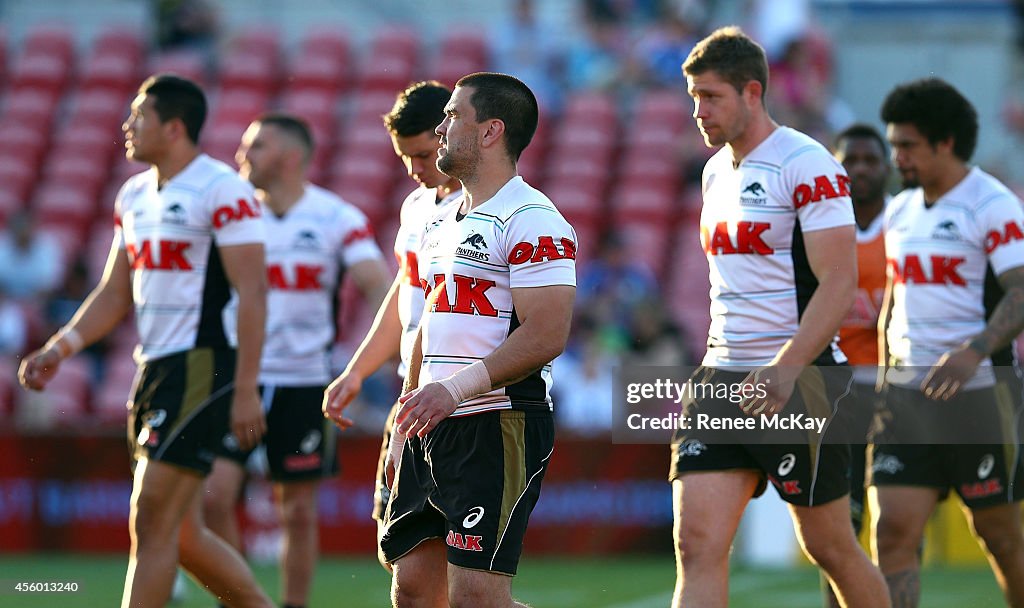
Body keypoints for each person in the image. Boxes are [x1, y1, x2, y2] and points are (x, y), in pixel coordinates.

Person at [18, 74, 272, 607]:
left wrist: (247, 386)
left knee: (151, 518)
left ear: (175, 127)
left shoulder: (222, 189)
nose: (127, 126)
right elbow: (115, 293)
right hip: (155, 368)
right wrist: (59, 348)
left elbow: (252, 291)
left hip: (203, 364)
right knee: (177, 532)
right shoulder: (133, 194)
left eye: (140, 117)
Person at [668, 27, 890, 608]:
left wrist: (786, 369)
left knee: (830, 547)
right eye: (693, 98)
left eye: (711, 97)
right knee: (695, 544)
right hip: (720, 378)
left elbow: (839, 285)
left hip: (803, 379)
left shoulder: (807, 163)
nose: (699, 112)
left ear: (752, 91)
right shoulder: (714, 172)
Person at [381, 72, 576, 607]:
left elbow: (547, 333)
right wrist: (407, 416)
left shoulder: (533, 218)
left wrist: (454, 390)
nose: (440, 127)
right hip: (434, 422)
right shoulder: (443, 222)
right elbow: (429, 321)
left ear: (490, 132)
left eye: (452, 115)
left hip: (497, 422)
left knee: (475, 597)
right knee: (414, 591)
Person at [202, 113, 391, 608]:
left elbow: (377, 284)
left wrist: (394, 345)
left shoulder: (336, 218)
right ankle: (240, 599)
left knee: (299, 510)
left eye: (256, 146)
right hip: (237, 375)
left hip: (305, 381)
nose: (243, 156)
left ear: (290, 157)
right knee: (215, 496)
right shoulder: (233, 218)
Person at [870, 77, 1024, 608]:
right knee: (892, 534)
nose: (897, 157)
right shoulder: (900, 211)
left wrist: (975, 352)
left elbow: (1022, 292)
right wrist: (884, 371)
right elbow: (894, 298)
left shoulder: (993, 206)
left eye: (907, 145)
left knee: (1001, 540)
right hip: (907, 400)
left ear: (946, 143)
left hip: (981, 397)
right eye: (893, 144)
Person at [322, 80, 463, 569]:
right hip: (413, 395)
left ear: (448, 135)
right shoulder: (416, 208)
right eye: (405, 158)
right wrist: (357, 372)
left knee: (439, 570)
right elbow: (406, 296)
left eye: (423, 155)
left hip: (462, 400)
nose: (415, 170)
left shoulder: (484, 209)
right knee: (402, 554)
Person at [823, 123, 891, 608]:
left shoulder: (908, 227)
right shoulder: (819, 228)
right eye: (852, 160)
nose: (861, 169)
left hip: (896, 389)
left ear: (887, 166)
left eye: (871, 160)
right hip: (835, 391)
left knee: (896, 523)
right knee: (838, 525)